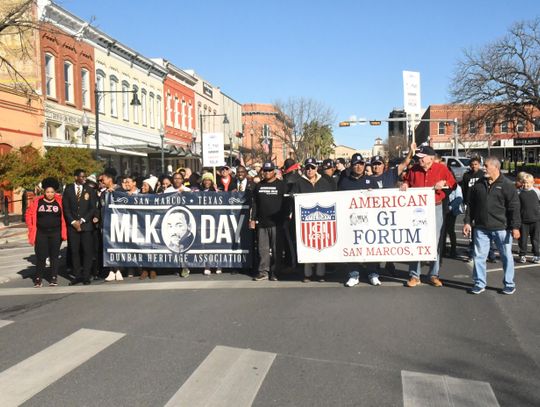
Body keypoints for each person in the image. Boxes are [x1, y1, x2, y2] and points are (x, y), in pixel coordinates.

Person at [401, 145, 456, 288]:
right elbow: (406, 180)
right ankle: (414, 275)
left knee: (435, 241)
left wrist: (444, 182)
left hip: (436, 207)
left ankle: (433, 274)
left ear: (431, 158)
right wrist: (405, 184)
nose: (419, 160)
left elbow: (453, 184)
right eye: (418, 158)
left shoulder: (442, 169)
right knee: (416, 239)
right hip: (417, 209)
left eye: (422, 158)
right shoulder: (413, 170)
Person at [464, 157, 520, 295]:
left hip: (502, 228)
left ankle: (509, 284)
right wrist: (467, 222)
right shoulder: (478, 184)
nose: (484, 168)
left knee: (506, 256)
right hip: (481, 228)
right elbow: (471, 205)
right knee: (479, 257)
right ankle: (479, 283)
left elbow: (514, 207)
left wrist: (515, 226)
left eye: (486, 166)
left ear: (496, 167)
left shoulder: (507, 185)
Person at [292, 158, 335, 282]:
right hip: (305, 220)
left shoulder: (324, 182)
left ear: (316, 168)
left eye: (312, 167)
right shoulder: (299, 182)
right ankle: (307, 274)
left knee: (321, 244)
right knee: (307, 244)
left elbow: (331, 198)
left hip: (322, 220)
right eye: (307, 168)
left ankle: (321, 274)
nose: (310, 170)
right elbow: (293, 198)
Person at [26, 178, 67, 287]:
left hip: (56, 233)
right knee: (41, 256)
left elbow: (65, 216)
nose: (49, 194)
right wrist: (31, 227)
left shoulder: (60, 201)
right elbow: (29, 214)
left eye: (52, 192)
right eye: (47, 192)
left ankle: (53, 278)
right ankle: (38, 278)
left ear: (55, 192)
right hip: (41, 233)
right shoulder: (37, 201)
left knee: (54, 256)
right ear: (44, 192)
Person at [250, 161, 287, 281]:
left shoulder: (282, 185)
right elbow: (255, 204)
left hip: (277, 222)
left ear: (274, 172)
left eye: (269, 170)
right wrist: (252, 219)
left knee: (277, 249)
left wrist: (286, 218)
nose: (267, 173)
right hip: (262, 222)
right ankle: (263, 272)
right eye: (265, 171)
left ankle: (275, 272)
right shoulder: (259, 186)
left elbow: (287, 203)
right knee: (262, 249)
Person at [62, 169, 98, 285]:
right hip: (72, 226)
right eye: (81, 177)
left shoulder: (90, 190)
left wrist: (82, 220)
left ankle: (86, 275)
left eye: (84, 176)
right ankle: (77, 275)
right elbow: (66, 208)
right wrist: (73, 222)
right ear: (75, 177)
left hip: (86, 225)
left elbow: (92, 208)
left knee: (87, 251)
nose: (83, 179)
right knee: (74, 250)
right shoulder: (68, 190)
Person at [517, 173, 540, 264]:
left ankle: (536, 255)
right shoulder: (519, 192)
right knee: (523, 239)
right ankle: (522, 255)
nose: (526, 185)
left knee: (535, 239)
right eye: (524, 183)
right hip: (523, 221)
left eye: (528, 183)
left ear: (532, 183)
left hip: (535, 220)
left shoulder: (537, 192)